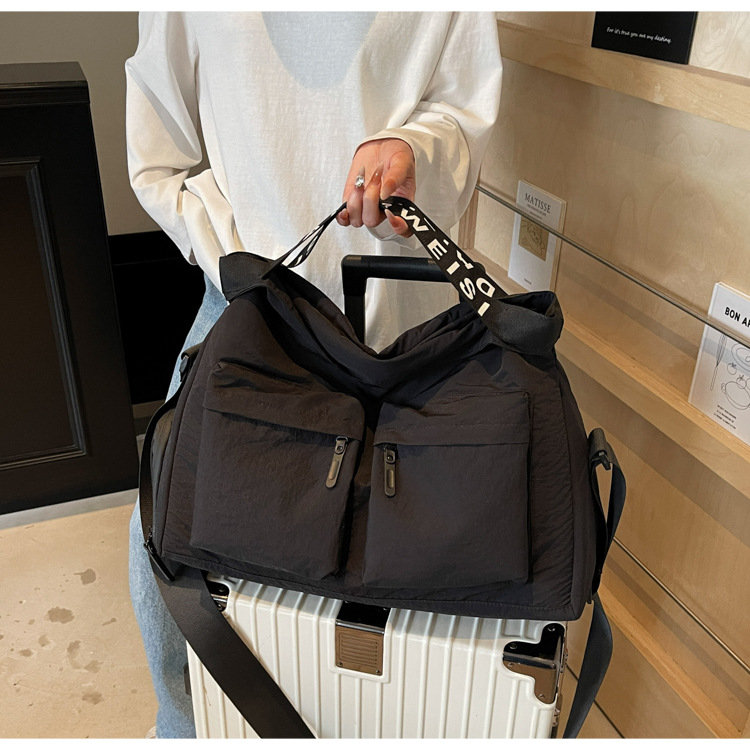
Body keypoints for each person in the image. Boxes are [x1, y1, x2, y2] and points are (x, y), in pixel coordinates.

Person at [125, 11, 502, 738]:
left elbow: (464, 102)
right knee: (167, 540)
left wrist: (415, 150)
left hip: (407, 320)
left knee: (410, 579)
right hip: (245, 306)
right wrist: (240, 263)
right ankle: (188, 729)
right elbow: (158, 149)